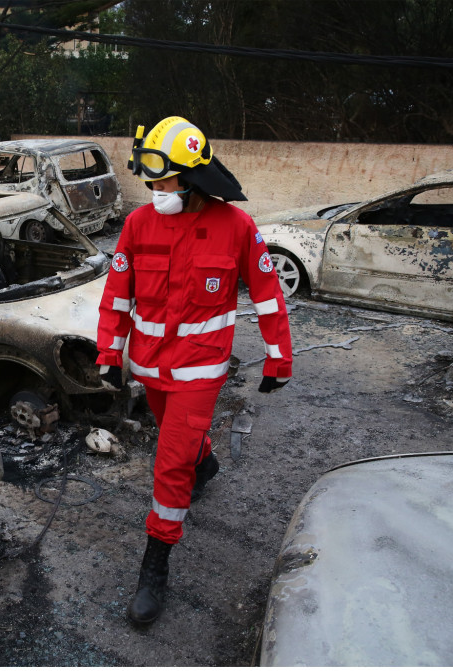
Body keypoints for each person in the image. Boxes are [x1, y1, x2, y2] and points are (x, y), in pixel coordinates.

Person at [96, 117, 293, 625]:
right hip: (150, 367)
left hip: (201, 371)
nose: (153, 188)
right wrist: (107, 354)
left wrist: (279, 357)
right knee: (176, 440)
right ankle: (204, 463)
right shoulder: (139, 224)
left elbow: (269, 297)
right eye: (151, 179)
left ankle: (154, 567)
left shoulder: (237, 227)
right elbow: (117, 295)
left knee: (169, 464)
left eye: (161, 179)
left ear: (190, 176)